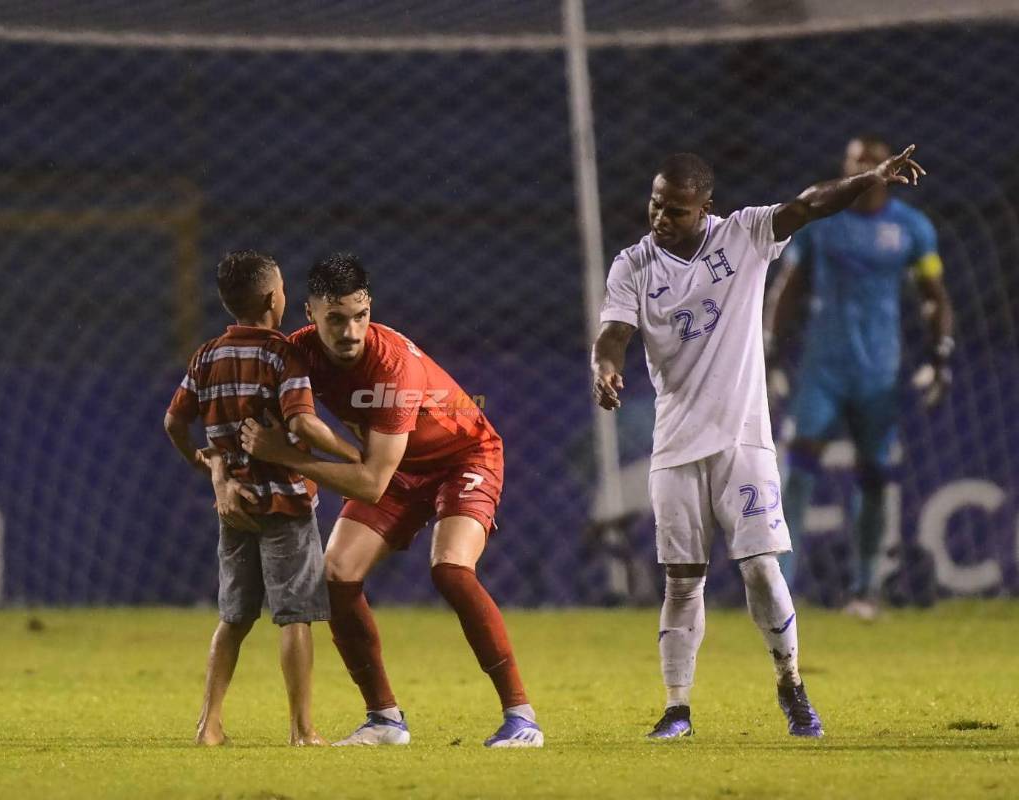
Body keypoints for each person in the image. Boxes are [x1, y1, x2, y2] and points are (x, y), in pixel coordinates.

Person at [590, 146, 926, 739]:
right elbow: (614, 333)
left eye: (676, 209)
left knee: (762, 569)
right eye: (656, 204)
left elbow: (809, 205)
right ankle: (677, 709)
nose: (661, 217)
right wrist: (605, 368)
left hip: (743, 441)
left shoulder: (743, 235)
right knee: (682, 580)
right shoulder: (633, 264)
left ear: (705, 207)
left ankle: (791, 685)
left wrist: (869, 178)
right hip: (675, 446)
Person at [235, 253, 543, 748]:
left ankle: (522, 717)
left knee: (450, 569)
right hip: (394, 466)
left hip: (463, 457)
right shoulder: (299, 351)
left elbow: (371, 484)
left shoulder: (392, 365)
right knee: (335, 577)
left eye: (360, 316)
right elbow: (276, 420)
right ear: (311, 314)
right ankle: (384, 720)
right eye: (336, 319)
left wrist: (288, 458)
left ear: (370, 308)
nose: (351, 332)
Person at [163, 249, 360, 747]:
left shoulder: (206, 356)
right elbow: (303, 424)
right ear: (274, 298)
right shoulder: (281, 354)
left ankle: (208, 724)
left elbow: (174, 422)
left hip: (235, 506)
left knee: (233, 617)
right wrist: (354, 453)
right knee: (296, 617)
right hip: (286, 503)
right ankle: (302, 729)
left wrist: (205, 463)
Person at [765, 135, 955, 619]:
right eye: (854, 161)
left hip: (879, 372)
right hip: (822, 369)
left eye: (870, 160)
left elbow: (933, 293)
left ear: (888, 169)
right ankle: (780, 590)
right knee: (797, 468)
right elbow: (789, 287)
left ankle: (866, 589)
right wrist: (769, 349)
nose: (862, 167)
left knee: (874, 476)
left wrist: (940, 353)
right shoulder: (820, 224)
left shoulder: (911, 227)